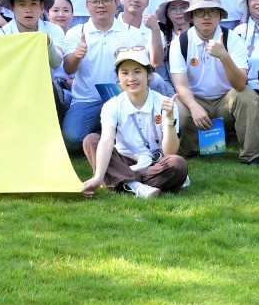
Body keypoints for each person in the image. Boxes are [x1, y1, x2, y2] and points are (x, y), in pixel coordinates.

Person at [165, 0, 259, 164]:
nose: (206, 17)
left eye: (212, 11)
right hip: (195, 100)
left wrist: (224, 56)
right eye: (200, 12)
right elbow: (181, 86)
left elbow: (240, 84)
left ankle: (252, 155)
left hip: (226, 100)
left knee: (248, 96)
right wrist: (194, 107)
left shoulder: (232, 39)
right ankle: (192, 149)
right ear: (192, 16)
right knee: (178, 107)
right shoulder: (180, 42)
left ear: (220, 16)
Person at [79, 46, 188, 198]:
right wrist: (97, 177)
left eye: (137, 72)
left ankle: (120, 180)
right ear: (118, 76)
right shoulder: (112, 105)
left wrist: (169, 119)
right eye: (124, 73)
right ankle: (135, 185)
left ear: (149, 74)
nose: (131, 78)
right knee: (91, 140)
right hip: (124, 161)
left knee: (178, 163)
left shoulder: (165, 103)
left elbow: (170, 153)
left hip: (154, 164)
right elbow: (106, 141)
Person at [60, 0, 152, 153]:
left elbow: (140, 70)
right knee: (72, 139)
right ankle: (105, 133)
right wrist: (77, 56)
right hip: (86, 101)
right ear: (87, 5)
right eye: (95, 1)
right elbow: (68, 69)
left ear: (116, 2)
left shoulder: (130, 33)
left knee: (141, 137)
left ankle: (106, 133)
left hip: (122, 99)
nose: (100, 5)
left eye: (106, 0)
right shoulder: (76, 32)